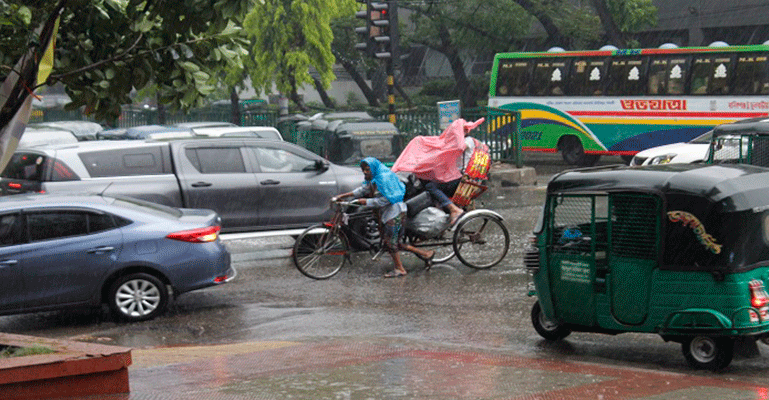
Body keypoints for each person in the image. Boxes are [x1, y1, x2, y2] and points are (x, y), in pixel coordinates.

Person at [332, 157, 435, 278]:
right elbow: (362, 190)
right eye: (363, 169)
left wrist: (366, 202)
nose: (365, 172)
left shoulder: (384, 179)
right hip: (388, 213)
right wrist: (343, 196)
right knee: (397, 243)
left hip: (395, 213)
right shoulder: (374, 179)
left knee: (391, 242)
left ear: (373, 168)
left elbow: (387, 199)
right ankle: (426, 254)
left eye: (367, 169)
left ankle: (400, 269)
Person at [392, 118, 488, 225]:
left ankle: (453, 209)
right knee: (428, 183)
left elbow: (457, 147)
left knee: (431, 186)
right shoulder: (462, 143)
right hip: (462, 178)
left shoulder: (467, 141)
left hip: (462, 179)